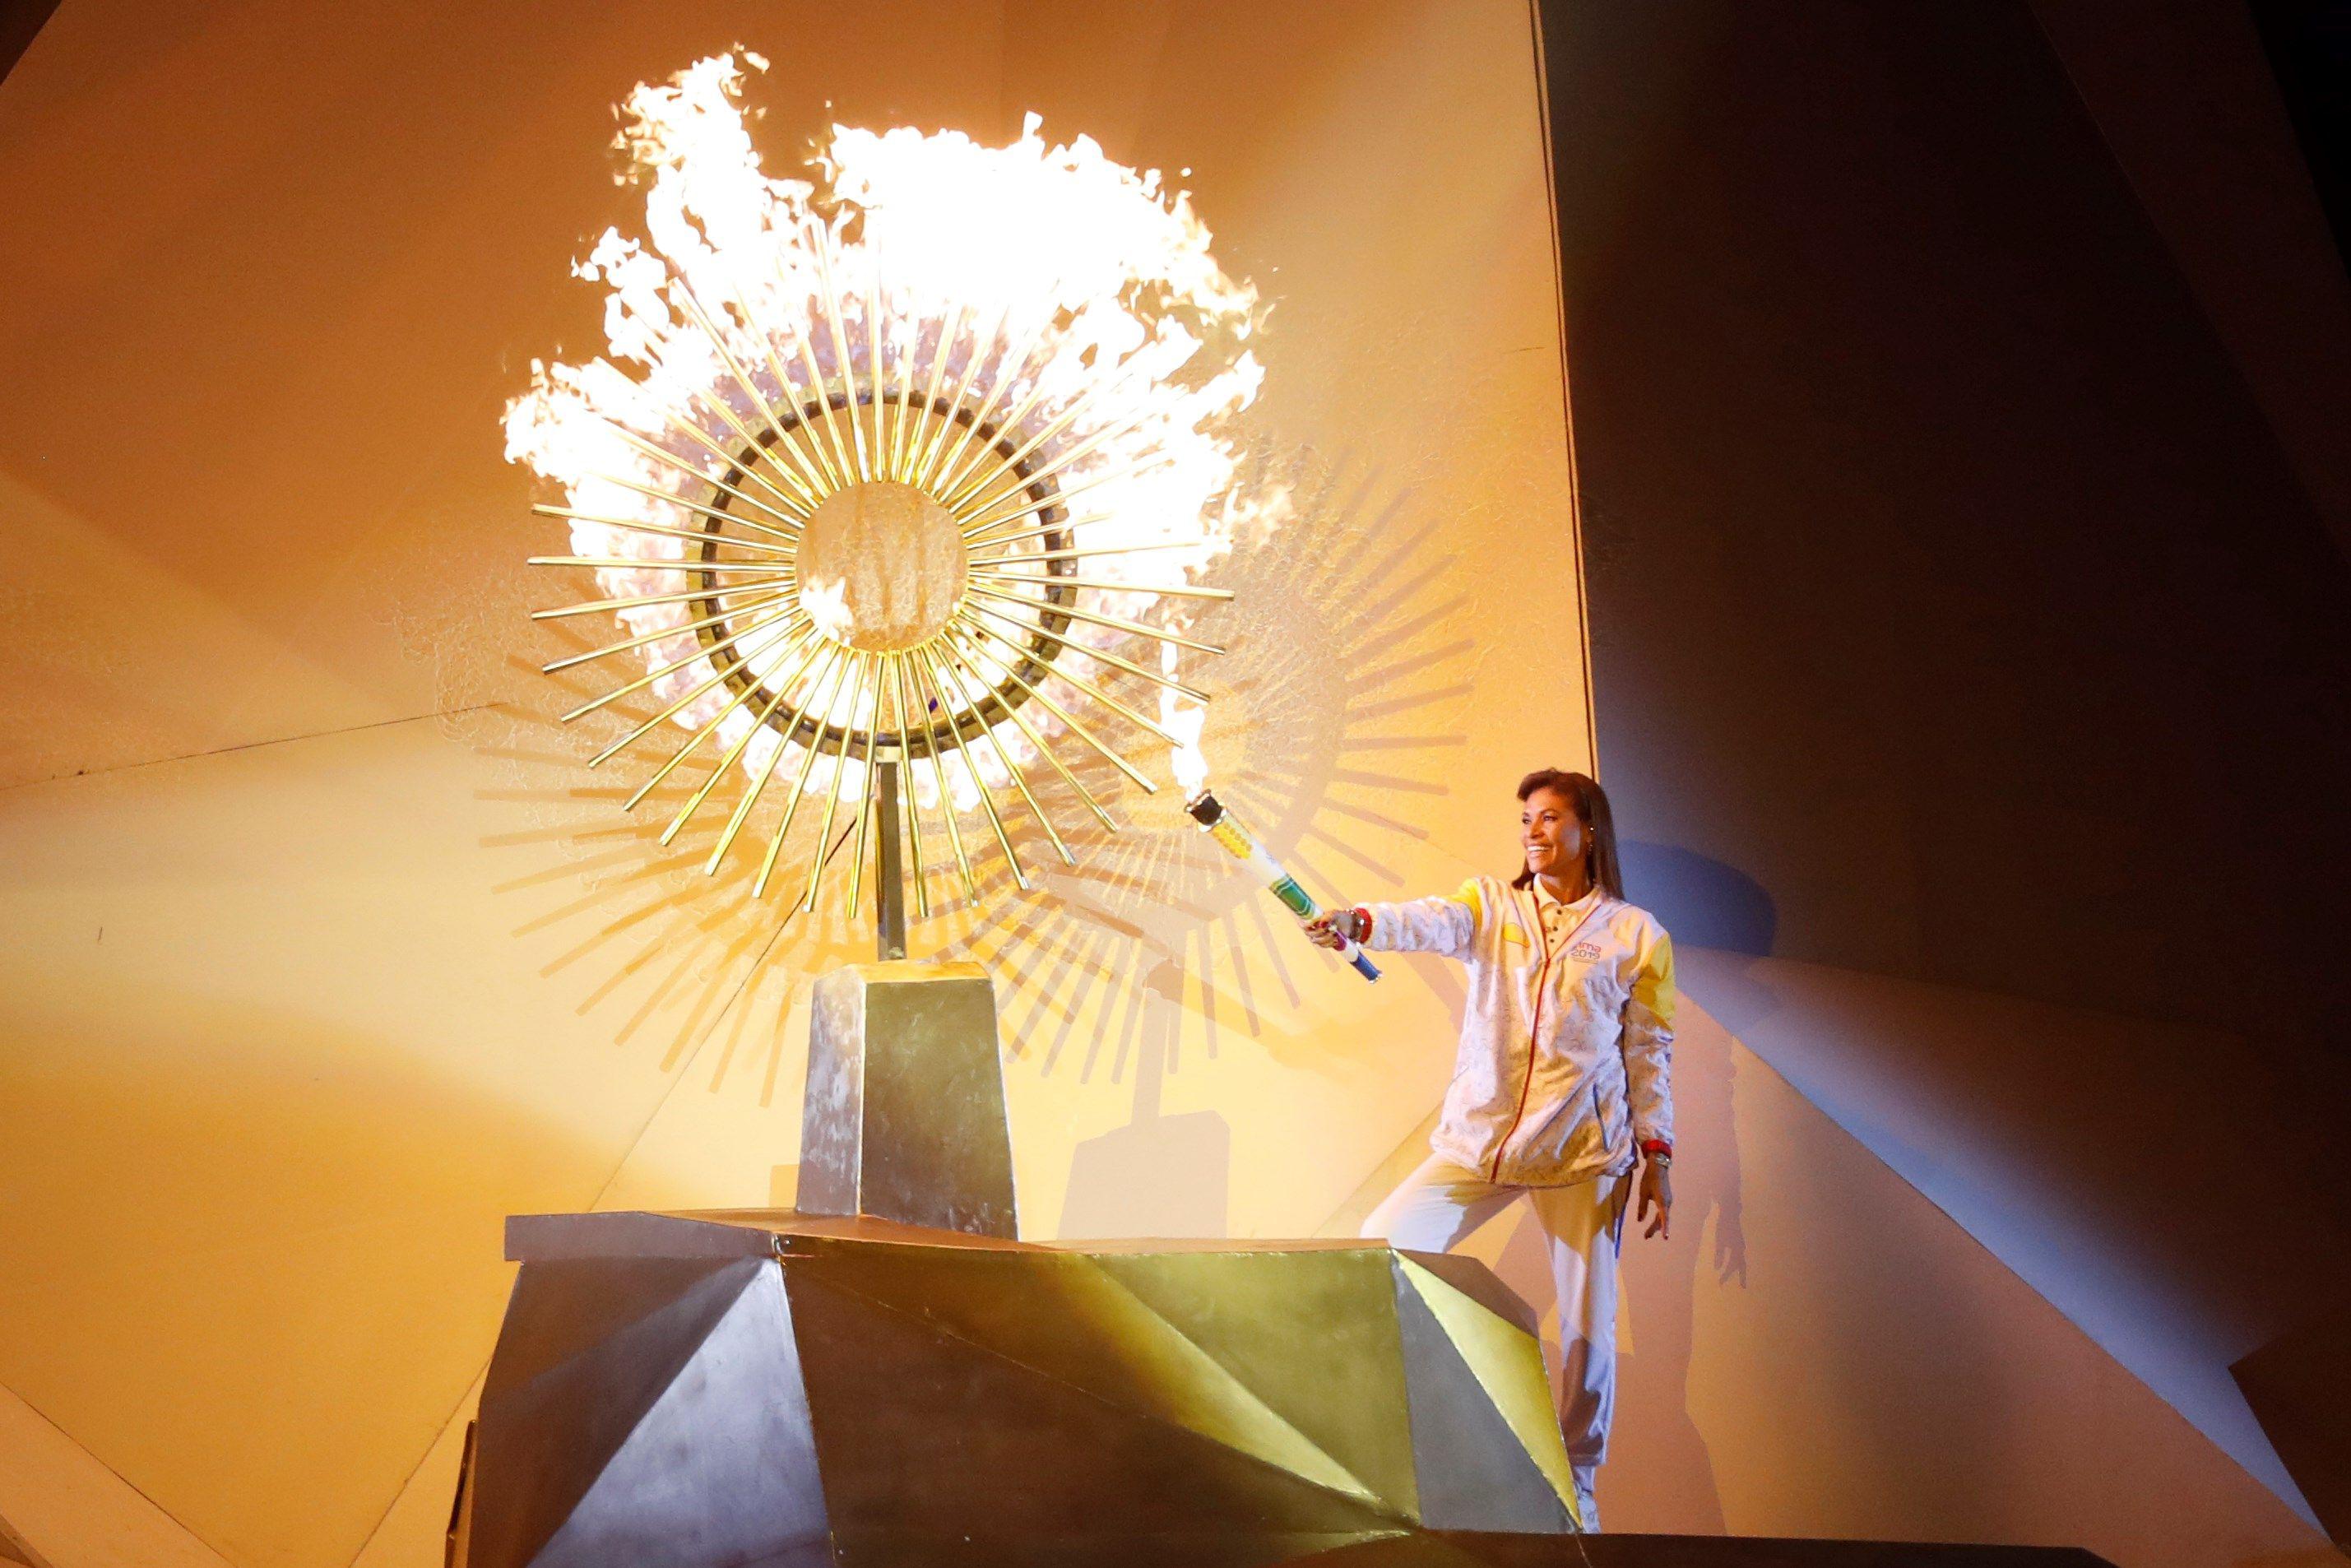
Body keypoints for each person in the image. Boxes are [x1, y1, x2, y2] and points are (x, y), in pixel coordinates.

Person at [1306, 767, 1674, 1533]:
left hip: (1582, 1154)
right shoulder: (1492, 905)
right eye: (1524, 821)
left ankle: (1579, 1487)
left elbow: (1650, 1049)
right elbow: (1428, 921)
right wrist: (1359, 923)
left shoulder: (1637, 935)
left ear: (1588, 830)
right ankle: (1412, 1436)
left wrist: (1657, 1155)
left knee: (1587, 1330)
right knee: (1377, 1248)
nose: (1532, 832)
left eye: (1547, 819)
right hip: (1480, 1145)